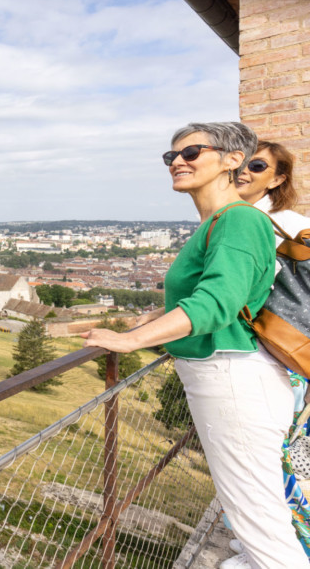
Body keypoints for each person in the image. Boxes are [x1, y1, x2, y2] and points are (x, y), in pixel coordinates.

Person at [81, 122, 307, 569]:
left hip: (232, 380)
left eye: (191, 152)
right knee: (254, 516)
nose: (177, 162)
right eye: (171, 157)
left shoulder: (239, 219)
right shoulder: (218, 222)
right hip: (228, 377)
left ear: (231, 160)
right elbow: (197, 299)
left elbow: (217, 303)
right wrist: (140, 322)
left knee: (264, 533)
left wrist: (132, 340)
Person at [235, 140, 310, 563]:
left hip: (283, 356)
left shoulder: (272, 222)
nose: (245, 169)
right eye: (241, 162)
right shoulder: (279, 219)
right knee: (282, 460)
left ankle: (281, 555)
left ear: (278, 178)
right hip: (286, 353)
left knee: (279, 465)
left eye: (258, 165)